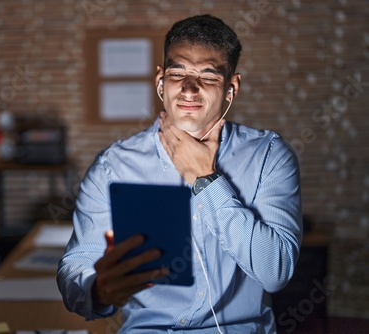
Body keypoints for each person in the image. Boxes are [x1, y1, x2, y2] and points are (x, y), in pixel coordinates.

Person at [57, 14, 302, 333]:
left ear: (231, 88)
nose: (189, 88)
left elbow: (276, 271)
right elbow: (75, 268)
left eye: (208, 76)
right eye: (178, 72)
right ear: (160, 81)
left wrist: (207, 180)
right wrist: (97, 290)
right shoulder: (113, 166)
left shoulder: (270, 156)